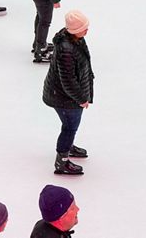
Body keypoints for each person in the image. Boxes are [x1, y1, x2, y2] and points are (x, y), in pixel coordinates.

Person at [43, 10, 93, 175]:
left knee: (71, 126)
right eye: (84, 28)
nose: (87, 30)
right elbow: (68, 81)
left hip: (66, 95)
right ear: (73, 30)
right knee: (70, 127)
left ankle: (68, 146)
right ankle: (62, 160)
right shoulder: (67, 49)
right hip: (65, 98)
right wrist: (81, 99)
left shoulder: (75, 40)